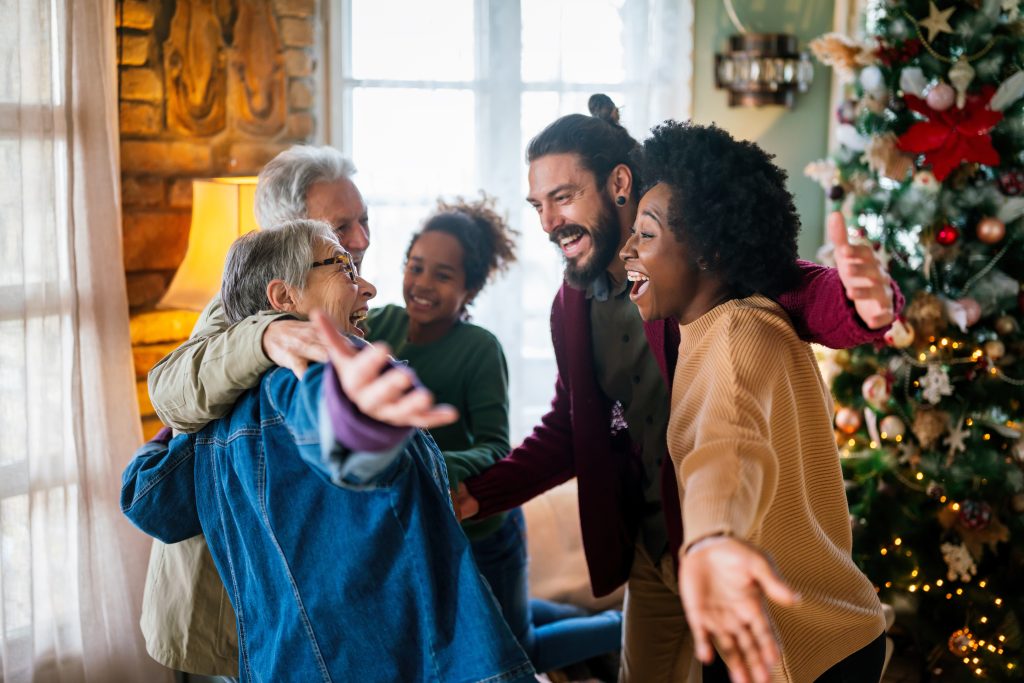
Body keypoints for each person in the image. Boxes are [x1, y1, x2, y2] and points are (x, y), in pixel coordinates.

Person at [455, 95, 902, 682]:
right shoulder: (572, 305)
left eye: (562, 197)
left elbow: (784, 319)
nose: (547, 222)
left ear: (618, 184)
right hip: (652, 547)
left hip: (732, 549)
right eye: (538, 204)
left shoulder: (717, 295)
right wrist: (480, 494)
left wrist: (863, 305)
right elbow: (571, 425)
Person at [122, 220, 535, 682]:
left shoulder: (219, 417)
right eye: (343, 267)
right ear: (284, 299)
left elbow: (148, 499)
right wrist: (362, 421)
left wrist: (174, 433)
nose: (370, 287)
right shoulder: (297, 379)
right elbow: (329, 429)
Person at [620, 120, 886, 682]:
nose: (628, 249)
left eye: (645, 234)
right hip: (811, 633)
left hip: (803, 649)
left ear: (709, 251)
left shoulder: (737, 337)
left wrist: (713, 536)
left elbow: (728, 445)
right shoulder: (715, 326)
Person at [365, 195, 622, 673]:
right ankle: (569, 617)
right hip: (426, 531)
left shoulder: (479, 349)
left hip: (484, 530)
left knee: (515, 650)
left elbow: (495, 447)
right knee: (485, 627)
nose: (422, 284)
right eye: (416, 268)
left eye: (442, 276)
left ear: (471, 287)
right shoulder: (378, 324)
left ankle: (623, 626)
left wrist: (437, 465)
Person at [142, 145, 371, 677]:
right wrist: (266, 332)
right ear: (286, 232)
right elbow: (172, 389)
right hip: (228, 607)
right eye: (342, 225)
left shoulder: (344, 296)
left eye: (364, 219)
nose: (360, 238)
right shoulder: (233, 306)